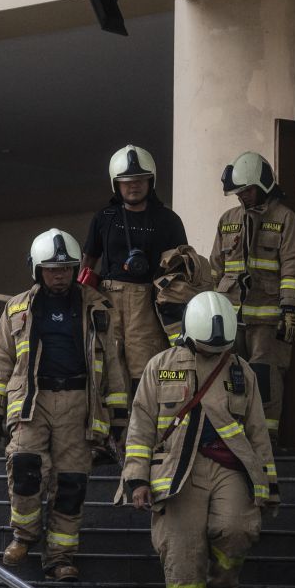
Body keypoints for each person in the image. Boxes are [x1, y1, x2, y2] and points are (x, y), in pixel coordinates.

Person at [0, 228, 127, 580]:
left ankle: (61, 558)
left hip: (81, 403)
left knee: (72, 482)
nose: (59, 275)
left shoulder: (98, 306)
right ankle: (24, 536)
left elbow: (113, 361)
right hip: (32, 400)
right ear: (37, 270)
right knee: (26, 466)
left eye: (65, 268)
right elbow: (1, 358)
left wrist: (119, 411)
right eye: (51, 269)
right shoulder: (17, 308)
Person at [122, 291, 279, 588]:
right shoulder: (160, 367)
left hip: (229, 467)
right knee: (182, 555)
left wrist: (268, 484)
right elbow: (141, 426)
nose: (217, 354)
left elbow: (257, 432)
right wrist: (137, 478)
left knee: (238, 528)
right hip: (178, 471)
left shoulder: (242, 371)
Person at [209, 152, 295, 440]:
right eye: (239, 192)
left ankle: (266, 440)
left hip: (268, 318)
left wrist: (289, 307)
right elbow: (216, 268)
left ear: (264, 184)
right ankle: (233, 435)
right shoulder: (228, 220)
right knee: (230, 376)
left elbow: (294, 265)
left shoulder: (286, 220)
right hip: (231, 317)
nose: (243, 197)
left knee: (265, 377)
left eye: (248, 190)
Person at [80, 145, 188, 409]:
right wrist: (80, 295)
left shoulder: (168, 220)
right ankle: (112, 436)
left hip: (149, 304)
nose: (134, 186)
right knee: (108, 365)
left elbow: (182, 266)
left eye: (140, 180)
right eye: (127, 181)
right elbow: (88, 260)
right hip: (109, 300)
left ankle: (144, 433)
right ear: (116, 185)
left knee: (146, 368)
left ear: (151, 181)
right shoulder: (104, 218)